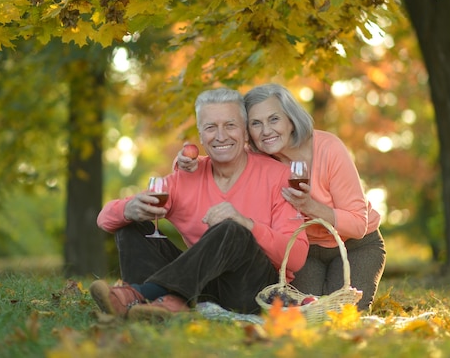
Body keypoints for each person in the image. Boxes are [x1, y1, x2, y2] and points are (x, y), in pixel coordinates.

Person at [90, 88, 308, 320]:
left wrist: (247, 224)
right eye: (211, 127)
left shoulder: (279, 176)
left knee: (232, 228)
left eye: (230, 125)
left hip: (251, 290)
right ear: (201, 136)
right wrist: (128, 209)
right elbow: (105, 220)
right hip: (199, 286)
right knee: (130, 223)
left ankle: (139, 295)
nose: (221, 136)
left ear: (246, 133)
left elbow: (296, 258)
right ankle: (166, 304)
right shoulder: (185, 177)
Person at [178, 83, 385, 312]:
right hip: (304, 253)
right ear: (248, 131)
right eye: (256, 123)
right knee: (302, 311)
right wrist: (186, 163)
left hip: (355, 244)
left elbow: (357, 224)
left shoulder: (329, 148)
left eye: (274, 119)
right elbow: (219, 154)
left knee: (344, 311)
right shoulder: (258, 157)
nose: (266, 131)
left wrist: (310, 206)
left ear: (290, 119)